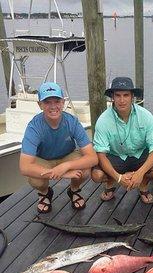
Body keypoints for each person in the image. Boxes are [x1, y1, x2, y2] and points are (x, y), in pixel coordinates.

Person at [19, 82, 98, 213]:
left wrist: (65, 167)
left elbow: (92, 157)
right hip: (43, 160)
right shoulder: (34, 127)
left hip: (66, 157)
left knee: (84, 169)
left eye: (57, 101)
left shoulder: (72, 122)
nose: (53, 106)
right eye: (47, 102)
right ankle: (44, 193)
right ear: (40, 105)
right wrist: (63, 173)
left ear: (63, 102)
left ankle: (74, 190)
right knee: (36, 179)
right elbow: (25, 167)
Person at [92, 77, 153, 204]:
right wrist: (119, 178)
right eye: (118, 95)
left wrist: (140, 173)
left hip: (140, 155)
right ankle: (111, 182)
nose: (122, 100)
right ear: (112, 97)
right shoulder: (103, 120)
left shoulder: (146, 115)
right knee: (96, 175)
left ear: (132, 97)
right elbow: (100, 153)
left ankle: (143, 184)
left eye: (126, 95)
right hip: (116, 156)